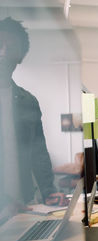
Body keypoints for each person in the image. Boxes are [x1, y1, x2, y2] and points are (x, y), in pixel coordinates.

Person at [0, 17, 68, 217]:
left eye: (10, 47)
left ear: (20, 56)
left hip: (24, 204)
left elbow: (39, 152)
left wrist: (49, 191)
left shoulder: (28, 101)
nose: (3, 53)